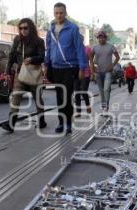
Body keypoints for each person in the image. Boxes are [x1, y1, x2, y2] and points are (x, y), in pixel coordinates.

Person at [45, 2, 87, 134]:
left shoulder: (73, 28)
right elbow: (49, 48)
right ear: (54, 13)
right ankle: (61, 122)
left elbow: (80, 49)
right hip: (55, 68)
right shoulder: (50, 30)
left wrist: (82, 68)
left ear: (65, 13)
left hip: (70, 67)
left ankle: (68, 122)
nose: (59, 15)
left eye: (61, 13)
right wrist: (46, 65)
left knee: (67, 95)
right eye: (56, 13)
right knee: (59, 95)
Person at [2, 18, 46, 133]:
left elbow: (42, 57)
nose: (23, 30)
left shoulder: (39, 41)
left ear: (30, 28)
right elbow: (11, 56)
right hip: (20, 74)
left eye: (25, 28)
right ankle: (11, 124)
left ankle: (42, 121)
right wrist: (7, 70)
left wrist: (32, 59)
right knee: (16, 97)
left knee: (38, 99)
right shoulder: (17, 40)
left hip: (34, 74)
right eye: (21, 28)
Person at [90, 31, 120, 114]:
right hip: (98, 72)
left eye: (102, 37)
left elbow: (117, 57)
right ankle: (104, 106)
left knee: (106, 89)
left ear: (105, 38)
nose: (101, 39)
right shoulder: (95, 47)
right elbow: (90, 58)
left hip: (108, 71)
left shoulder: (111, 47)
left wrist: (112, 65)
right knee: (101, 90)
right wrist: (92, 68)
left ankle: (106, 107)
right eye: (99, 38)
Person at [74, 35, 92, 118]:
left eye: (80, 39)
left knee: (83, 90)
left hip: (86, 73)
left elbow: (91, 62)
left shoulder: (88, 49)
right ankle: (78, 111)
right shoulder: (74, 50)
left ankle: (88, 105)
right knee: (77, 93)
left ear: (82, 40)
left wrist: (92, 73)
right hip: (76, 73)